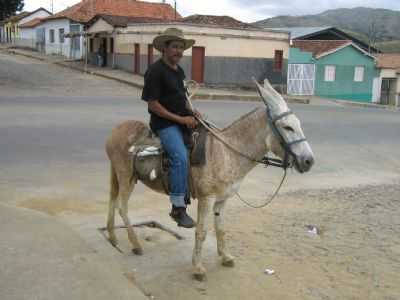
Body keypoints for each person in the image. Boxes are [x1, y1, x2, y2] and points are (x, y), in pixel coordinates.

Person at [141, 28, 200, 228]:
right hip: (164, 124)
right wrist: (181, 120)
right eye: (175, 47)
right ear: (164, 48)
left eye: (181, 48)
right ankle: (177, 207)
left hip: (182, 118)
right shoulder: (155, 71)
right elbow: (153, 104)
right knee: (180, 156)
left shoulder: (179, 71)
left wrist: (192, 112)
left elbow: (182, 99)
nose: (179, 51)